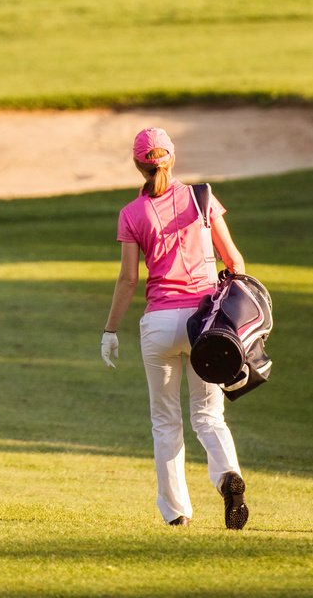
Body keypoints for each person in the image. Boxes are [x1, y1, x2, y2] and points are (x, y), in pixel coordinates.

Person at [100, 127, 251, 529]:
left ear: (138, 166)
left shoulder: (131, 213)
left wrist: (110, 330)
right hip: (205, 324)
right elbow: (234, 261)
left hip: (159, 325)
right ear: (172, 157)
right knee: (209, 415)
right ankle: (227, 476)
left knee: (165, 422)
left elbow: (129, 280)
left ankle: (177, 513)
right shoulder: (201, 198)